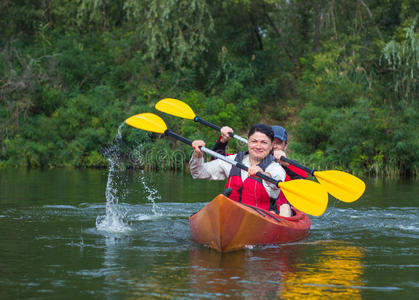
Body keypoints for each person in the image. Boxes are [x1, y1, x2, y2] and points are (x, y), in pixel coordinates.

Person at [211, 125, 308, 217]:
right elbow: (216, 159)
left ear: (285, 146)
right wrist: (222, 141)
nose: (274, 146)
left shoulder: (287, 165)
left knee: (284, 208)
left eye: (278, 143)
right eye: (271, 142)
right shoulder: (244, 160)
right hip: (249, 210)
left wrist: (286, 164)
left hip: (277, 211)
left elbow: (303, 177)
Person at [189, 124, 286, 213]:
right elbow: (198, 172)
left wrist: (263, 174)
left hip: (259, 221)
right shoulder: (232, 160)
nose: (258, 146)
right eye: (254, 141)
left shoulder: (276, 168)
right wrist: (197, 155)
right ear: (248, 141)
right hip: (230, 215)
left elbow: (274, 179)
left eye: (264, 142)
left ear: (272, 145)